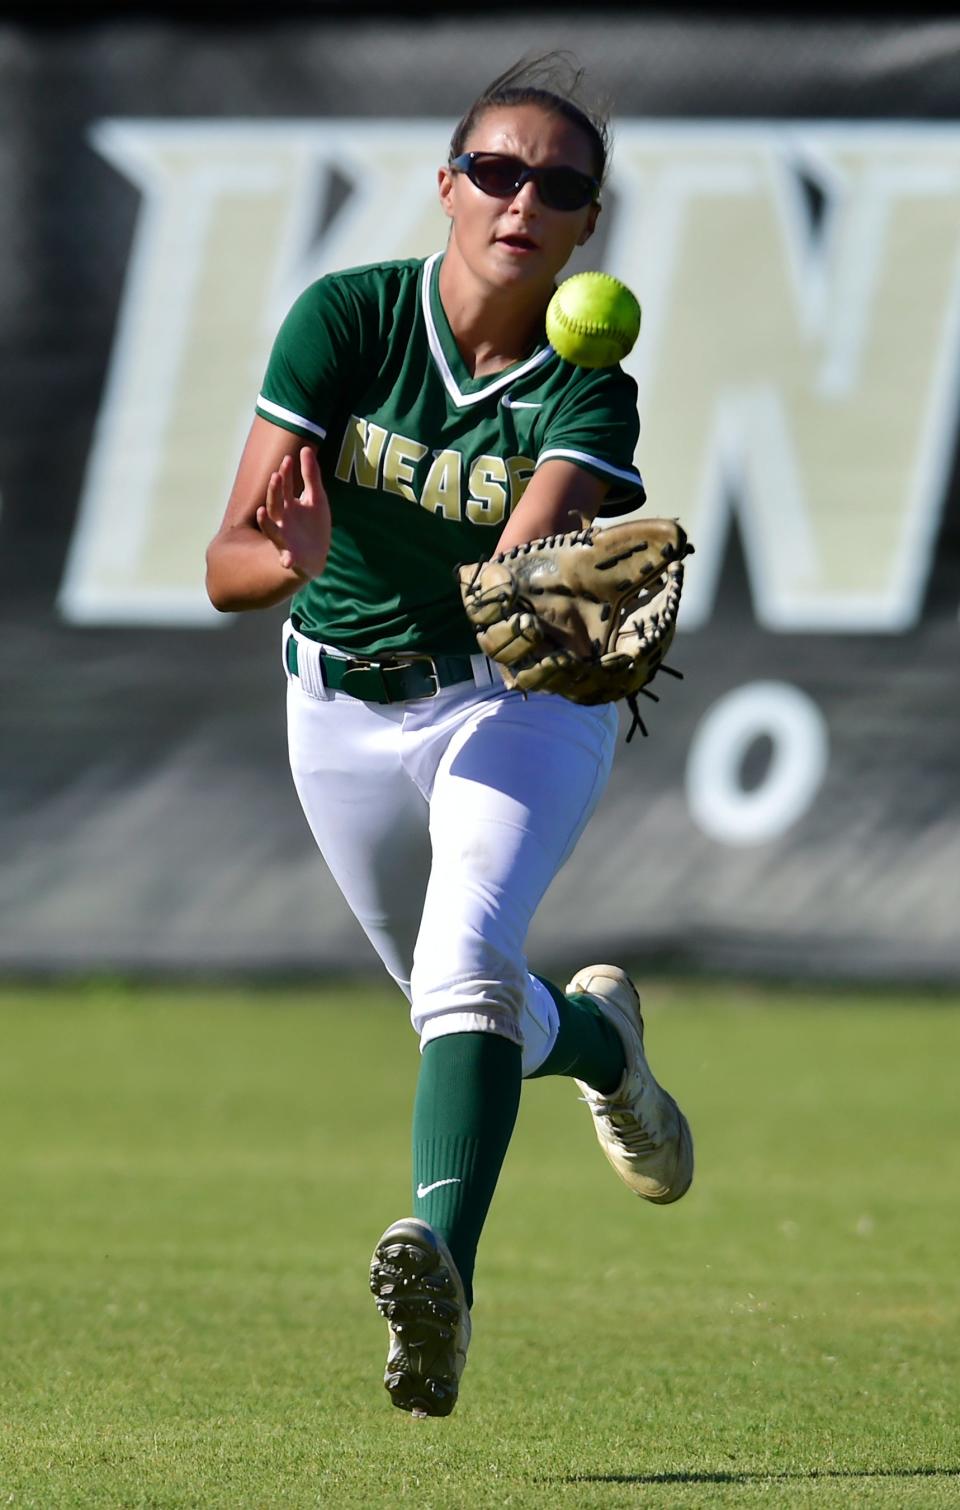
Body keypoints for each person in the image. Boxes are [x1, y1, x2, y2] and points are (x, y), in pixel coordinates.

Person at [205, 54, 693, 1420]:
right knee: (454, 1004)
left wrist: (543, 559)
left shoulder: (589, 389)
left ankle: (445, 1272)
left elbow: (526, 557)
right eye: (496, 169)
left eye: (560, 185)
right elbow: (222, 564)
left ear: (588, 226)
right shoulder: (348, 321)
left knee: (466, 963)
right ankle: (602, 1047)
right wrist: (290, 559)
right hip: (336, 704)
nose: (521, 199)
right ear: (446, 185)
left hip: (509, 693)